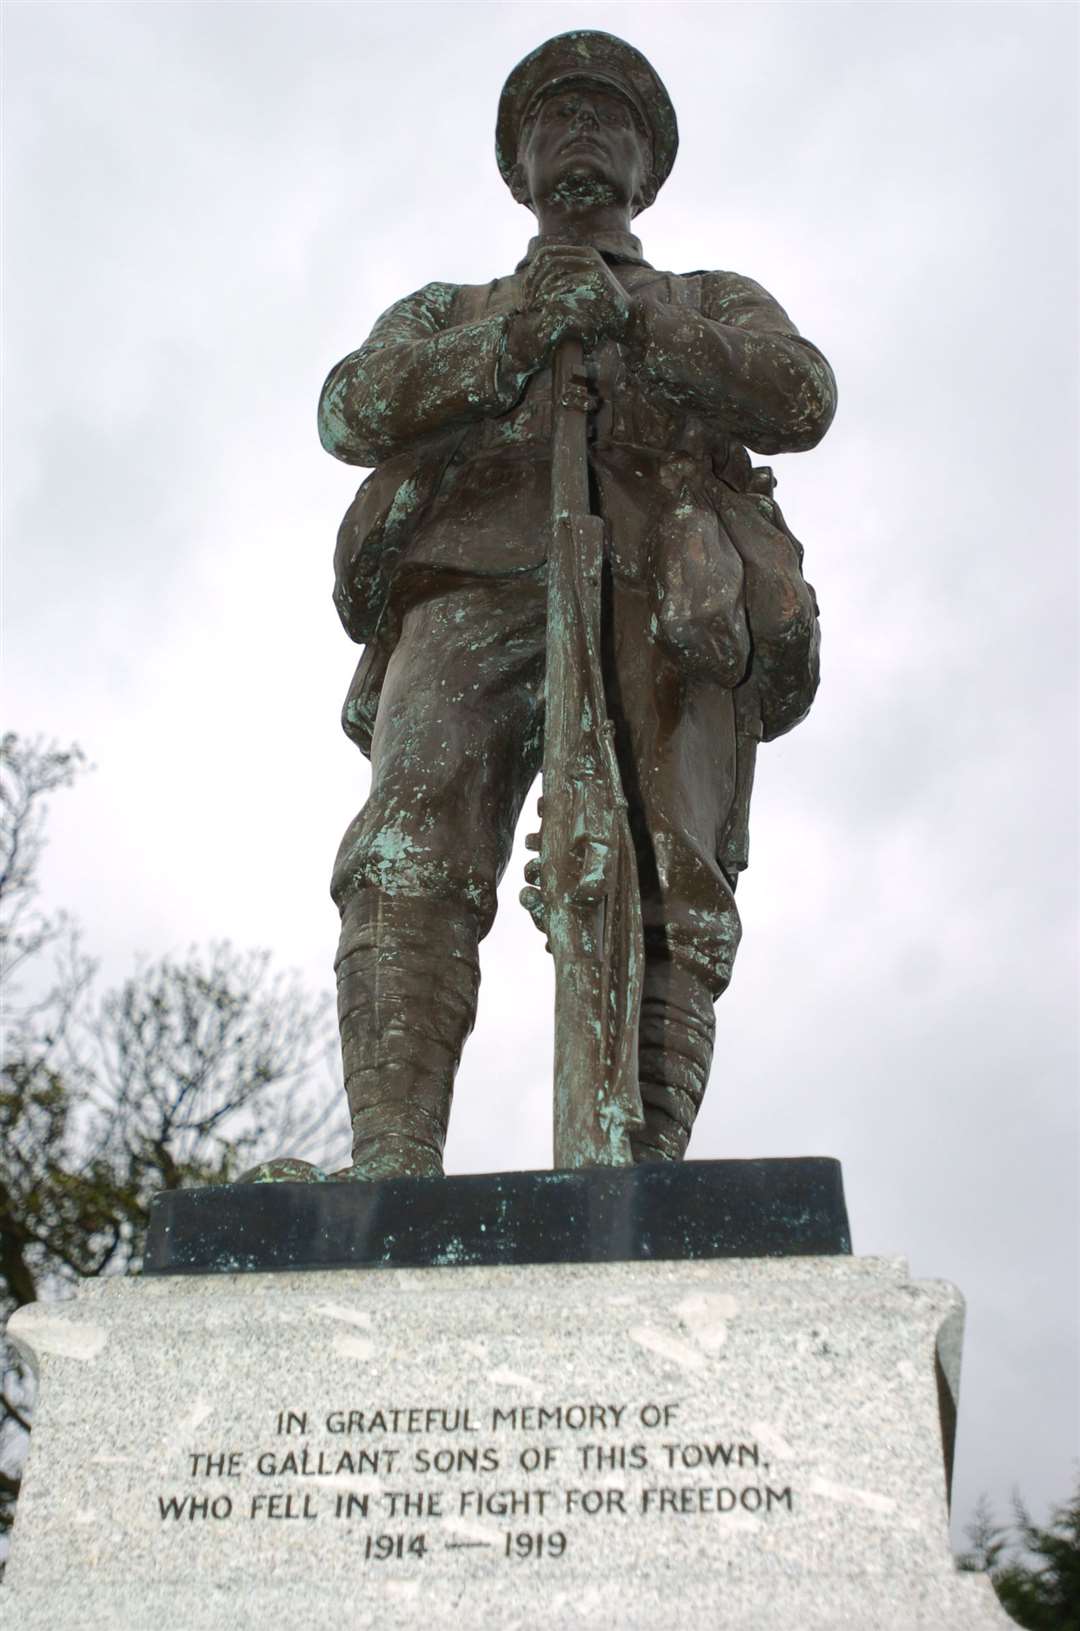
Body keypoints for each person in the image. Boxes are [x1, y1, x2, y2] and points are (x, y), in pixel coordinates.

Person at [319, 30, 836, 1180]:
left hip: (665, 599)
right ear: (521, 162)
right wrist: (514, 338)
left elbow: (800, 393)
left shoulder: (708, 295)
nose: (584, 129)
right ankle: (390, 1158)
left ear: (649, 168)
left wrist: (637, 323)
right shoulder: (450, 306)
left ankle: (640, 1173)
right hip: (469, 586)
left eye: (612, 116)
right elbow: (352, 407)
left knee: (668, 884)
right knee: (411, 852)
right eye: (557, 114)